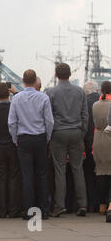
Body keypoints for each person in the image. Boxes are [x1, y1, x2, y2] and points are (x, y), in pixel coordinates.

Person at [8, 69, 54, 220]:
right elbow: (49, 121)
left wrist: (15, 139)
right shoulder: (44, 98)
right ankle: (44, 210)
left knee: (27, 175)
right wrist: (47, 137)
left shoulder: (16, 98)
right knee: (42, 174)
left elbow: (12, 122)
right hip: (40, 137)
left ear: (23, 80)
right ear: (35, 81)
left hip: (24, 139)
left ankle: (29, 210)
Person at [47, 63, 88, 217]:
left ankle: (60, 205)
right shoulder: (80, 92)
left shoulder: (51, 92)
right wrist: (82, 132)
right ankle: (83, 204)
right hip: (76, 132)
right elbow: (85, 115)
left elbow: (49, 118)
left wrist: (49, 136)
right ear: (70, 74)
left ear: (56, 75)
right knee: (78, 169)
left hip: (58, 133)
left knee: (60, 170)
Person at [0, 82, 22, 218]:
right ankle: (13, 210)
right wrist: (16, 92)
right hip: (12, 144)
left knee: (1, 178)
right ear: (8, 93)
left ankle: (2, 210)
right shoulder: (14, 107)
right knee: (14, 177)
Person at [91, 81, 111, 222]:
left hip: (98, 139)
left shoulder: (95, 105)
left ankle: (102, 205)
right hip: (110, 137)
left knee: (101, 172)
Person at [83, 81, 100, 213]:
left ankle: (90, 203)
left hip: (87, 144)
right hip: (101, 143)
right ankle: (102, 203)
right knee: (102, 175)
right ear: (97, 90)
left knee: (87, 175)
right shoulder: (102, 101)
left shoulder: (84, 102)